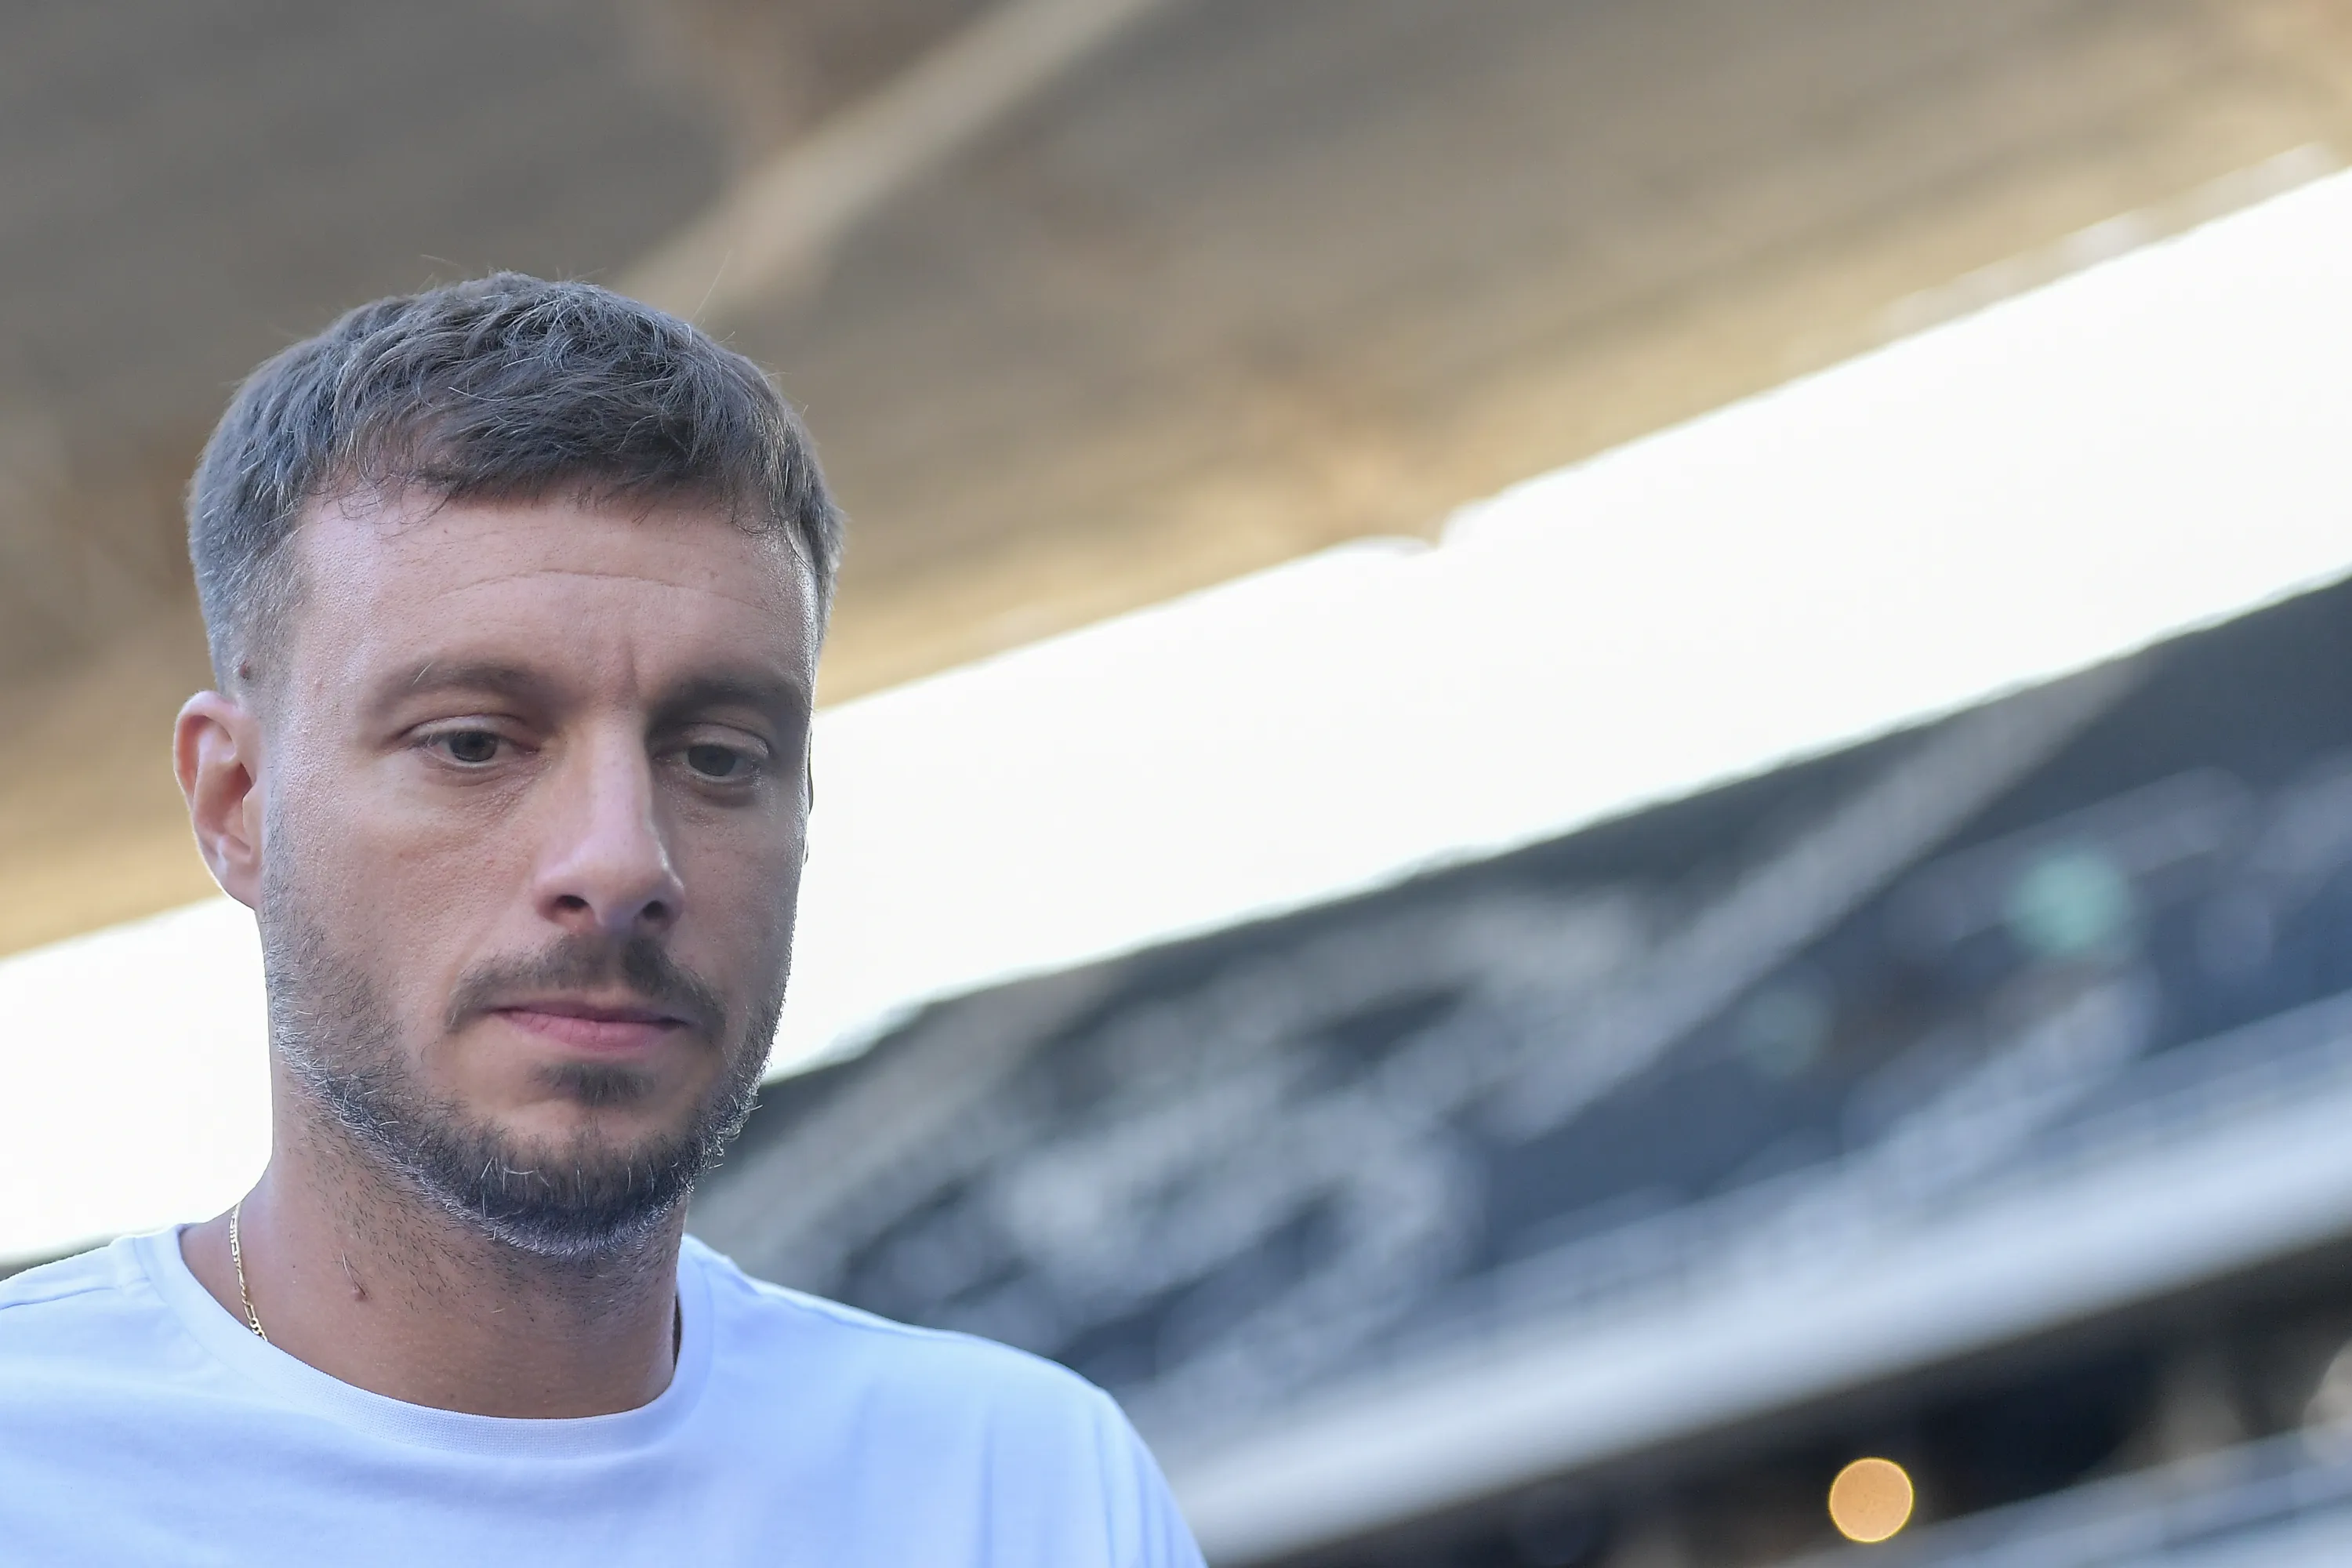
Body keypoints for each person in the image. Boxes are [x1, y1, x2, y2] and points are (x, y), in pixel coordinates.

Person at [0, 274, 1203, 1566]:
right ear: (236, 804)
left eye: (721, 755)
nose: (622, 860)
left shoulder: (1019, 1494)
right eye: (472, 742)